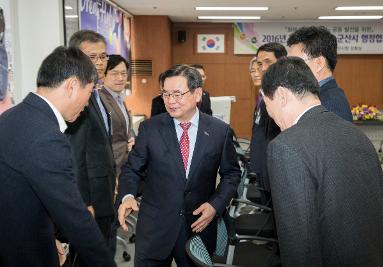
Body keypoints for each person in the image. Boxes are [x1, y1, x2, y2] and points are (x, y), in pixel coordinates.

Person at [262, 56, 383, 266]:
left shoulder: (285, 147)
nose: (276, 122)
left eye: (270, 110)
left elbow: (299, 247)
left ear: (281, 96)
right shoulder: (356, 134)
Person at [0, 46, 116, 267]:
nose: (87, 103)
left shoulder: (11, 117)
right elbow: (75, 220)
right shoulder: (47, 137)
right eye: (89, 92)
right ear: (72, 86)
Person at [118, 64, 241, 266]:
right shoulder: (150, 128)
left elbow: (231, 174)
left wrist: (215, 205)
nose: (170, 101)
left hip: (198, 227)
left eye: (177, 94)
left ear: (197, 94)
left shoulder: (219, 131)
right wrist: (128, 195)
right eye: (165, 94)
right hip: (155, 228)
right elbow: (132, 169)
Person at [66, 30, 116, 259]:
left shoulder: (98, 93)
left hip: (104, 192)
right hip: (91, 200)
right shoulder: (75, 97)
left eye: (103, 56)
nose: (99, 63)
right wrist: (83, 202)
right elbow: (75, 156)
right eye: (92, 57)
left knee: (105, 250)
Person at [287, 26, 353, 122]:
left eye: (295, 63)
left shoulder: (330, 104)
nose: (288, 69)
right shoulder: (319, 97)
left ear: (319, 64)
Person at [251, 43, 286, 202]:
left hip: (274, 172)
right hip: (261, 168)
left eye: (268, 62)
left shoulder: (282, 95)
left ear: (281, 62)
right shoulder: (264, 93)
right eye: (259, 63)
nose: (262, 67)